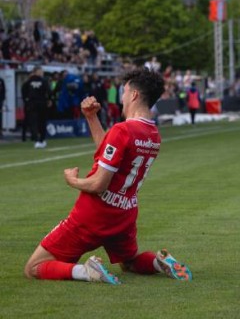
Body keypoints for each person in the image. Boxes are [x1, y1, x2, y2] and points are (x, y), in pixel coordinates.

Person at [24, 68, 192, 284]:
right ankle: (158, 263)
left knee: (33, 267)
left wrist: (72, 180)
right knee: (129, 261)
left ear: (133, 95)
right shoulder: (153, 134)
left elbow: (98, 184)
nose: (122, 97)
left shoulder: (123, 130)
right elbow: (109, 152)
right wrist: (92, 118)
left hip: (93, 215)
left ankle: (86, 272)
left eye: (124, 91)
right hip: (124, 215)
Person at [21, 66, 51, 148]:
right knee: (39, 122)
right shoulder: (43, 81)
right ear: (36, 72)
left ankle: (39, 139)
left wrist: (26, 100)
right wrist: (49, 99)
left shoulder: (29, 81)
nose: (42, 73)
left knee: (36, 122)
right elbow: (49, 91)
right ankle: (40, 139)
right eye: (40, 71)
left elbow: (23, 91)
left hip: (34, 103)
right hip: (39, 103)